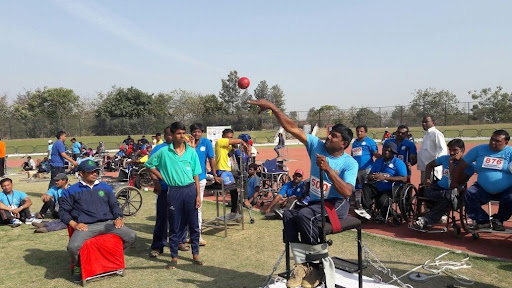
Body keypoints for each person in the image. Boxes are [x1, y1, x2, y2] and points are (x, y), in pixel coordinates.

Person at [249, 99, 357, 288]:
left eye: (334, 136)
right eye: (330, 134)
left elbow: (347, 192)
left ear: (344, 143)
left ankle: (316, 268)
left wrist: (328, 170)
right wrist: (274, 108)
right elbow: (292, 128)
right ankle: (302, 266)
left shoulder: (349, 163)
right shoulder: (317, 145)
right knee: (289, 215)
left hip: (336, 203)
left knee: (305, 215)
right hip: (316, 202)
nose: (329, 137)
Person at [59, 160, 137, 282]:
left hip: (108, 224)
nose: (94, 173)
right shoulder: (71, 190)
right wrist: (74, 224)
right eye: (90, 172)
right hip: (86, 226)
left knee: (131, 236)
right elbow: (63, 212)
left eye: (95, 171)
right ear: (81, 173)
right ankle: (78, 265)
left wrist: (118, 218)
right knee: (73, 247)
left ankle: (110, 258)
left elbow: (115, 205)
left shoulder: (105, 187)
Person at [145, 122, 204, 269]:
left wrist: (198, 194)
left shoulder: (191, 151)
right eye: (179, 133)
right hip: (174, 191)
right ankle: (174, 257)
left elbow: (196, 174)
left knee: (193, 224)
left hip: (190, 190)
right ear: (171, 135)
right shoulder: (164, 152)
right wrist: (161, 177)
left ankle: (195, 254)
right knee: (174, 224)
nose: (182, 136)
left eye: (183, 133)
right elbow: (149, 165)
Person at [452, 130, 512, 231]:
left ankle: (498, 220)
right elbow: (461, 165)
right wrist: (455, 181)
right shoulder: (479, 149)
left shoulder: (510, 152)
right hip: (482, 188)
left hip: (506, 190)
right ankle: (483, 221)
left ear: (506, 143)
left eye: (497, 141)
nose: (493, 143)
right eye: (492, 139)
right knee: (469, 194)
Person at [413, 139, 475, 230]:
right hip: (439, 189)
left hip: (454, 190)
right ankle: (432, 214)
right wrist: (427, 179)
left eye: (455, 150)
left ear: (462, 150)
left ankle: (427, 220)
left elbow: (456, 181)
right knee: (425, 191)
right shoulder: (444, 158)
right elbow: (429, 165)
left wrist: (451, 164)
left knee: (448, 198)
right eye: (450, 150)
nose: (452, 153)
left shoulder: (469, 166)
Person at [184, 123, 219, 246]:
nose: (196, 134)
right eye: (194, 132)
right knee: (186, 206)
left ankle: (197, 235)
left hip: (201, 179)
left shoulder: (206, 143)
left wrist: (214, 175)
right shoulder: (186, 143)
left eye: (199, 132)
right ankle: (186, 234)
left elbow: (211, 159)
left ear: (202, 132)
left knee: (197, 206)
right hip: (186, 179)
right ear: (191, 132)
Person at [359, 142, 407, 222]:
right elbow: (370, 174)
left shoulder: (398, 163)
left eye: (389, 151)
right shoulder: (378, 161)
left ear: (393, 152)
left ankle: (390, 214)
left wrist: (384, 178)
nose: (386, 152)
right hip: (378, 185)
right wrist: (372, 176)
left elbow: (404, 178)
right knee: (366, 186)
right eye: (385, 150)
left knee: (382, 201)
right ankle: (367, 211)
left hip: (391, 189)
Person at [214, 128, 249, 219]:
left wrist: (245, 150)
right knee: (233, 188)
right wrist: (241, 141)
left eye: (231, 138)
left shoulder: (230, 146)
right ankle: (242, 202)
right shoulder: (220, 142)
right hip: (222, 171)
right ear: (223, 137)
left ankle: (235, 211)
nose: (230, 140)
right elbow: (235, 141)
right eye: (228, 138)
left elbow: (241, 155)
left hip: (229, 171)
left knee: (242, 180)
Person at [351, 125, 379, 205]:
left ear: (365, 132)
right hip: (357, 169)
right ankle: (358, 204)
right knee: (357, 187)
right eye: (357, 131)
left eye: (361, 131)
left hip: (367, 169)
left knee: (366, 188)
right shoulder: (355, 143)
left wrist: (381, 156)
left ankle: (368, 205)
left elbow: (375, 153)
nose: (359, 133)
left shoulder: (370, 142)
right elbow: (353, 155)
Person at [417, 115, 447, 183]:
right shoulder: (426, 134)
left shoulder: (436, 134)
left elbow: (443, 150)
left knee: (431, 190)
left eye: (426, 122)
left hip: (433, 170)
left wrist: (436, 163)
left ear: (433, 122)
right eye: (422, 122)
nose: (423, 124)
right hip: (425, 169)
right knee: (424, 190)